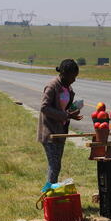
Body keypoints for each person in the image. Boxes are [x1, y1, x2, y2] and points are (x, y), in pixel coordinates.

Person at [37, 59, 83, 192]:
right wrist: (66, 116)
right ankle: (48, 195)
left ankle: (51, 193)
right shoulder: (52, 87)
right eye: (73, 76)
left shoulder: (68, 87)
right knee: (54, 165)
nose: (74, 80)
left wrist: (72, 112)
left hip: (60, 131)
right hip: (49, 132)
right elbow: (44, 108)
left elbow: (64, 109)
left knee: (56, 165)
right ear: (64, 73)